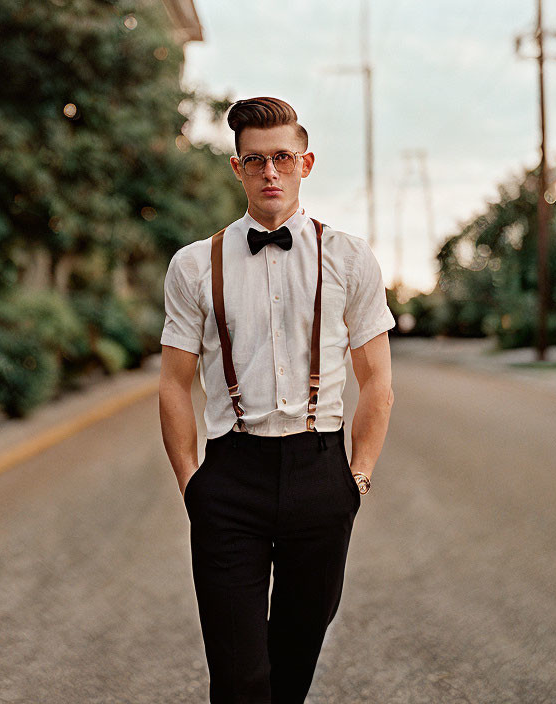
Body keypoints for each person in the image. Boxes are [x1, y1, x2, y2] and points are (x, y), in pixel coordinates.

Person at [158, 96, 395, 704]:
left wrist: (356, 479)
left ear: (305, 163)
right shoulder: (193, 265)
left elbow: (377, 382)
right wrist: (193, 484)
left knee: (291, 670)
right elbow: (173, 383)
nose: (270, 173)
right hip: (230, 480)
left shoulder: (348, 257)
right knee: (240, 680)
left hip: (320, 475)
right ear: (237, 168)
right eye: (255, 160)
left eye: (282, 159)